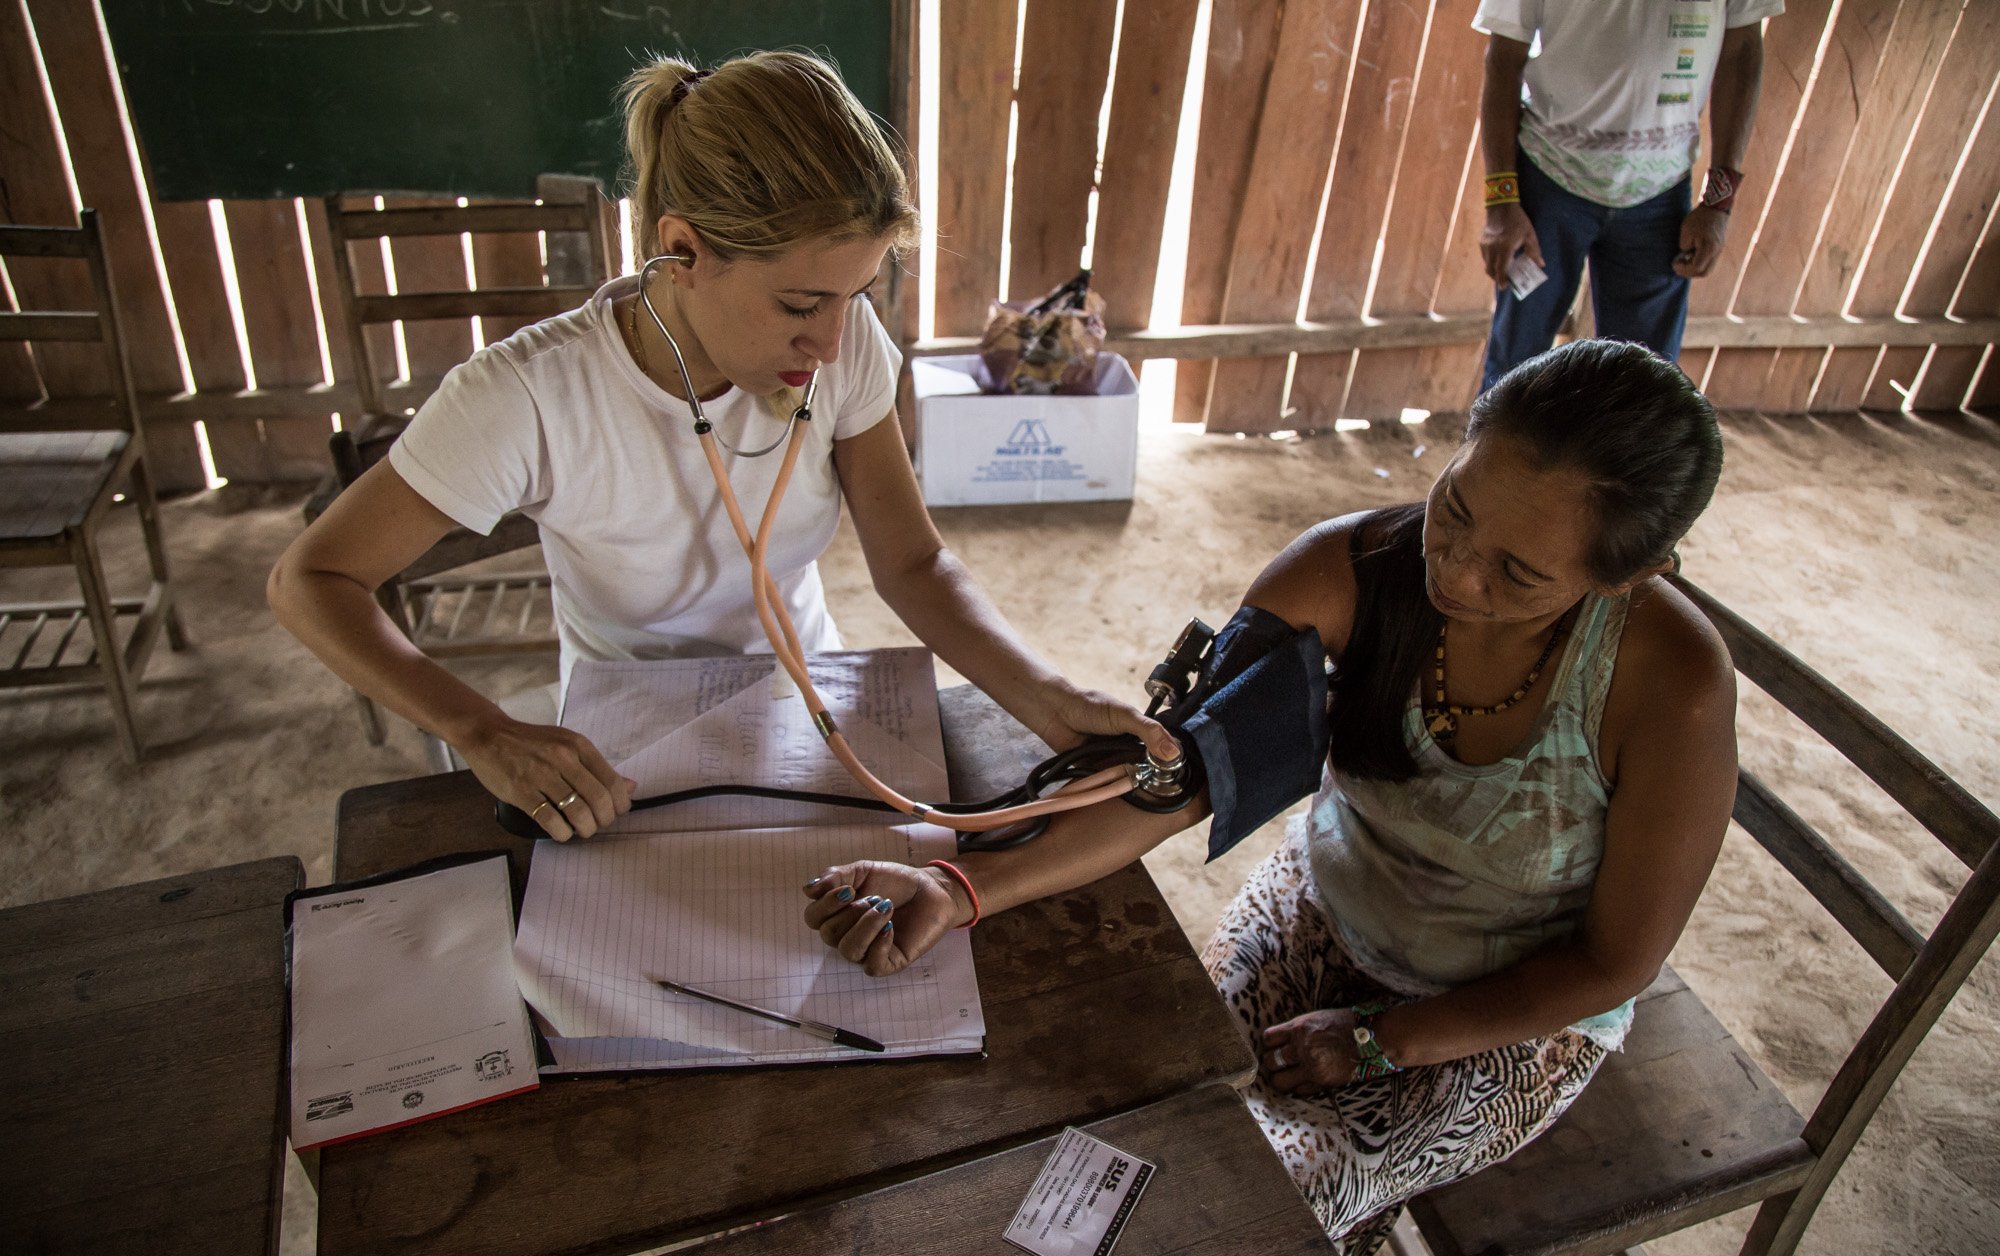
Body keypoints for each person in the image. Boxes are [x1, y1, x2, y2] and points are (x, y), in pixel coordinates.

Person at [800, 339, 1739, 1251]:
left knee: (1234, 1203)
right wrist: (961, 888)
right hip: (1323, 909)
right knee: (1143, 1115)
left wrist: (1385, 1041)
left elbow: (1615, 965)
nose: (1452, 569)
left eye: (1518, 573)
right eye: (1454, 507)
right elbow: (1179, 779)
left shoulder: (1670, 686)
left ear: (1627, 575)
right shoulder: (1350, 574)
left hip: (1510, 1015)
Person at [268, 50, 1172, 842]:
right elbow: (311, 580)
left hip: (804, 694)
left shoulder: (845, 348)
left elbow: (913, 565)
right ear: (681, 248)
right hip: (623, 735)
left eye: (855, 295)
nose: (831, 342)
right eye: (799, 304)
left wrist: (1044, 694)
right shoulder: (529, 395)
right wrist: (481, 730)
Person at [1475, 0, 1783, 391]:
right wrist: (1502, 203)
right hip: (1548, 184)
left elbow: (1741, 53)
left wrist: (1719, 203)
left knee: (1643, 387)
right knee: (1512, 371)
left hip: (1659, 197)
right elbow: (1502, 59)